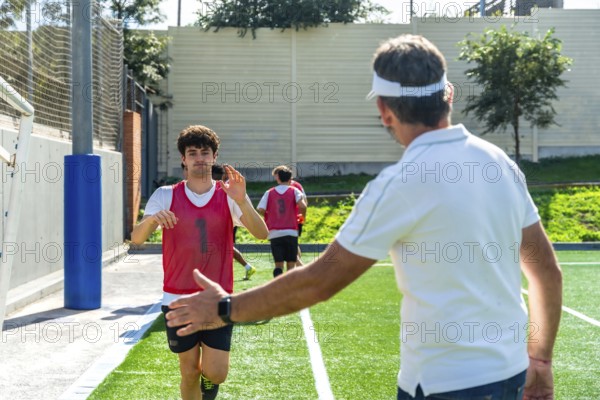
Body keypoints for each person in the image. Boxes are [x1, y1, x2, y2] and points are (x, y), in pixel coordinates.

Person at [165, 35, 563, 400]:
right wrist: (541, 359)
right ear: (447, 96)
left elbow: (319, 282)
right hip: (512, 372)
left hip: (443, 383)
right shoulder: (499, 163)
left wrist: (223, 308)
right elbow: (546, 271)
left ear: (384, 110)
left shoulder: (400, 183)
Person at [131, 125, 268, 400]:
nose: (199, 158)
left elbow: (262, 233)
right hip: (177, 298)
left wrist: (243, 201)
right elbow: (136, 239)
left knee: (216, 373)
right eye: (192, 153)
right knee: (189, 372)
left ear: (215, 156)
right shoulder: (165, 195)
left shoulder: (229, 195)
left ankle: (210, 385)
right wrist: (153, 219)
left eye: (205, 152)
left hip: (217, 298)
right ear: (183, 158)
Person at [257, 165, 307, 278]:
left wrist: (269, 216)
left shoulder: (269, 192)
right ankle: (289, 289)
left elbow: (260, 209)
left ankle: (277, 284)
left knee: (278, 265)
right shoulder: (294, 190)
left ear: (277, 178)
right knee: (291, 265)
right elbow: (303, 206)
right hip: (291, 231)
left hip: (274, 233)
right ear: (290, 179)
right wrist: (301, 218)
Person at [211, 163, 257, 280]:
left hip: (227, 221)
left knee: (223, 247)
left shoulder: (224, 188)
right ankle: (247, 267)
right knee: (225, 246)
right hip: (227, 221)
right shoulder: (221, 187)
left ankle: (240, 269)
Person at [289, 175, 307, 265]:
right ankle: (297, 265)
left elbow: (303, 204)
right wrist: (302, 219)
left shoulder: (291, 187)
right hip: (298, 218)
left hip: (290, 219)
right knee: (294, 243)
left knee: (289, 245)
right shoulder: (298, 185)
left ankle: (301, 268)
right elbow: (305, 202)